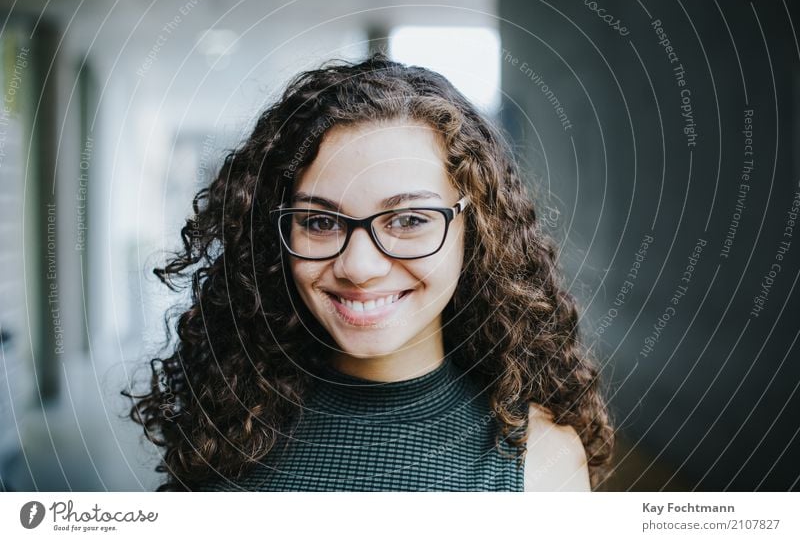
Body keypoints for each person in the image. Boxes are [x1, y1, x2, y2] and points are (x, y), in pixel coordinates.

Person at [124, 53, 614, 492]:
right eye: (319, 221)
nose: (359, 267)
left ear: (477, 227)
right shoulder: (224, 429)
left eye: (408, 220)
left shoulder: (540, 462)